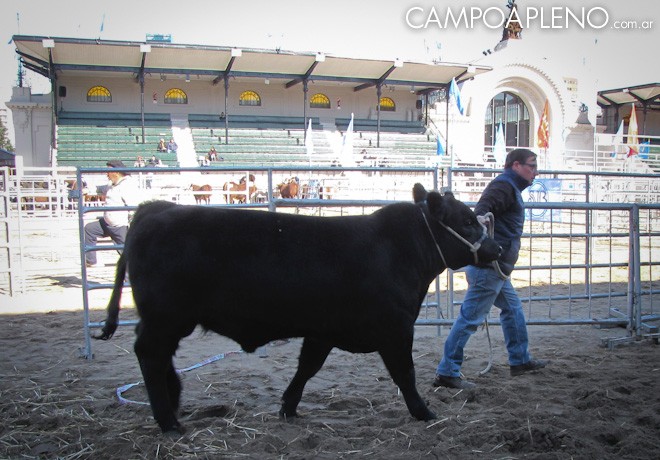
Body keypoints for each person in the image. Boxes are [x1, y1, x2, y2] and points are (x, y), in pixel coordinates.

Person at [433, 148, 549, 389]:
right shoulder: (504, 187)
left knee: (513, 309)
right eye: (532, 166)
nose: (535, 172)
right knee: (470, 318)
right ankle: (447, 370)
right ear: (515, 165)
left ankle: (520, 360)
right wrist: (482, 219)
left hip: (496, 267)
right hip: (490, 266)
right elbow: (484, 208)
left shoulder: (508, 186)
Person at [84, 160, 142, 267]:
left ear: (116, 172)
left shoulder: (127, 185)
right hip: (106, 223)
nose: (107, 173)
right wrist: (86, 189)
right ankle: (91, 260)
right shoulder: (112, 184)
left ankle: (131, 278)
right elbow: (100, 189)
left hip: (119, 225)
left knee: (126, 252)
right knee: (89, 229)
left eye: (109, 171)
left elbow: (133, 206)